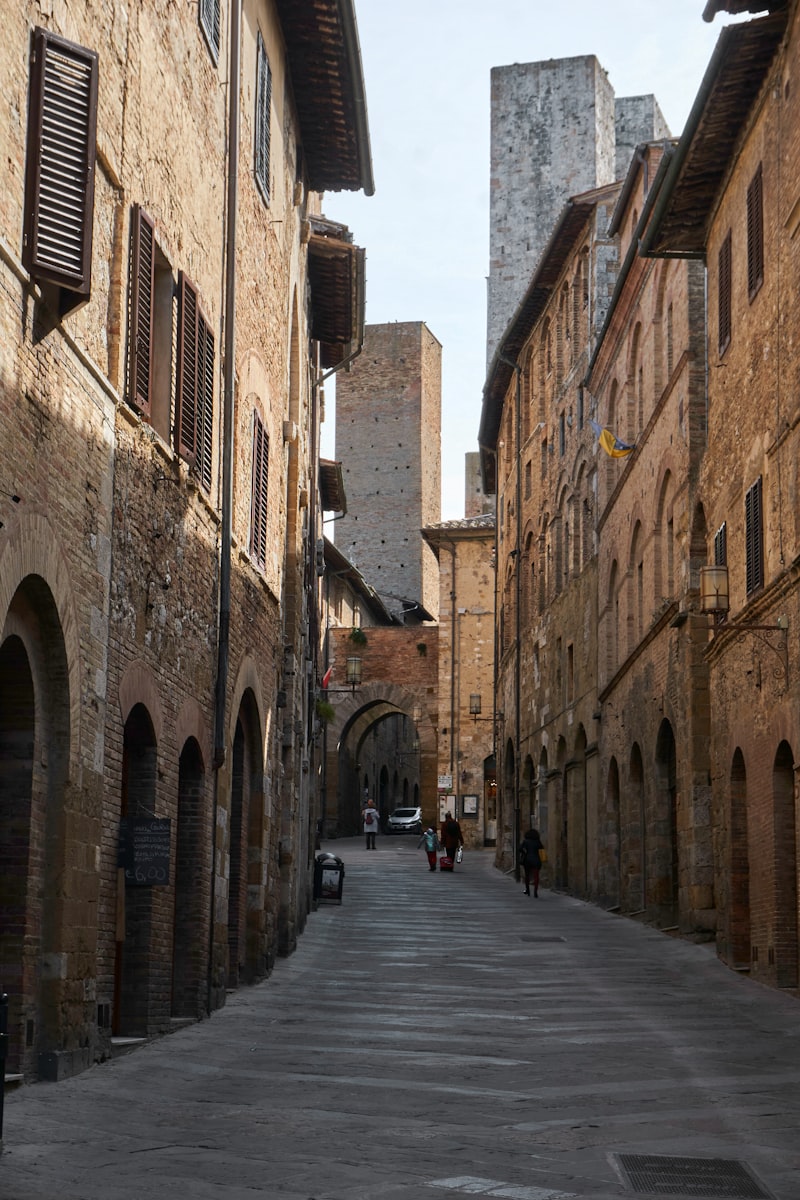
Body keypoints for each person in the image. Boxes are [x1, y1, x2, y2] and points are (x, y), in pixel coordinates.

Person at [519, 827, 545, 896]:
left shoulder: (525, 841)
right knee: (536, 876)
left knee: (527, 876)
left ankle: (527, 890)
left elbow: (520, 848)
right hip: (536, 860)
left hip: (527, 860)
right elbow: (542, 848)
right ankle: (535, 892)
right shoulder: (537, 841)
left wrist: (525, 852)